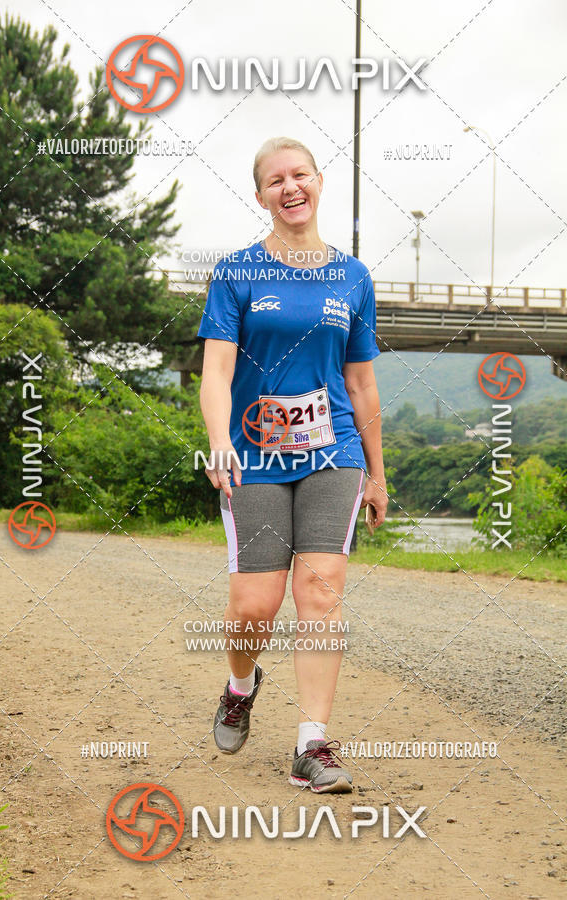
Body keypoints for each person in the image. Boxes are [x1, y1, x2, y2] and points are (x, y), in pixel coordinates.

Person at [197, 136, 387, 793]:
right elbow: (217, 370)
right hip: (253, 455)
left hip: (334, 452)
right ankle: (241, 683)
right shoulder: (237, 272)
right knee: (256, 604)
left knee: (320, 592)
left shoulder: (353, 277)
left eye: (299, 174)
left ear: (319, 181)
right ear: (261, 197)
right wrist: (218, 439)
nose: (290, 187)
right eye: (275, 180)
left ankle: (314, 744)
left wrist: (378, 473)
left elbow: (362, 386)